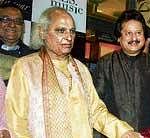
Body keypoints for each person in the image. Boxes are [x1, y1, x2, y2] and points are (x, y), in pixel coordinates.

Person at [5, 7, 141, 138]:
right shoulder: (26, 67)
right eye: (61, 30)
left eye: (72, 31)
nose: (69, 37)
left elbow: (95, 111)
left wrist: (123, 132)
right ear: (43, 32)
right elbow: (16, 123)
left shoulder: (81, 69)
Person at [93, 9, 150, 136]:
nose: (134, 38)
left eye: (138, 33)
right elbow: (95, 106)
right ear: (119, 38)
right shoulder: (106, 63)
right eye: (128, 33)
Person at [0, 4, 35, 84]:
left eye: (17, 21)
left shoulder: (33, 57)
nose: (12, 25)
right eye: (6, 19)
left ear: (23, 27)